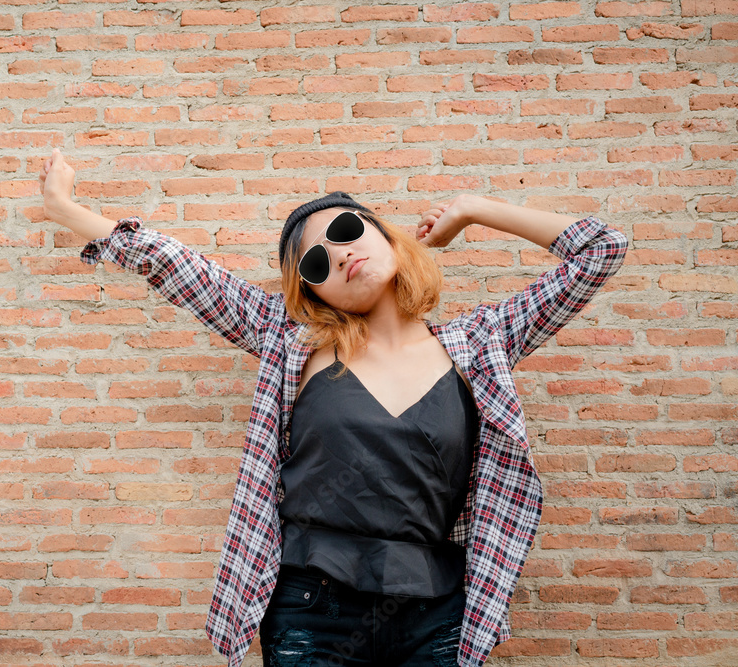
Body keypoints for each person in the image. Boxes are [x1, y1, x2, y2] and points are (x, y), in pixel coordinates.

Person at [37, 148, 629, 667]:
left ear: (384, 233)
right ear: (312, 291)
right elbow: (175, 265)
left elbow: (601, 249)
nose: (338, 255)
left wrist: (473, 208)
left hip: (436, 611)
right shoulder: (290, 339)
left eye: (346, 230)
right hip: (311, 609)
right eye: (315, 263)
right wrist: (69, 211)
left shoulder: (481, 343)